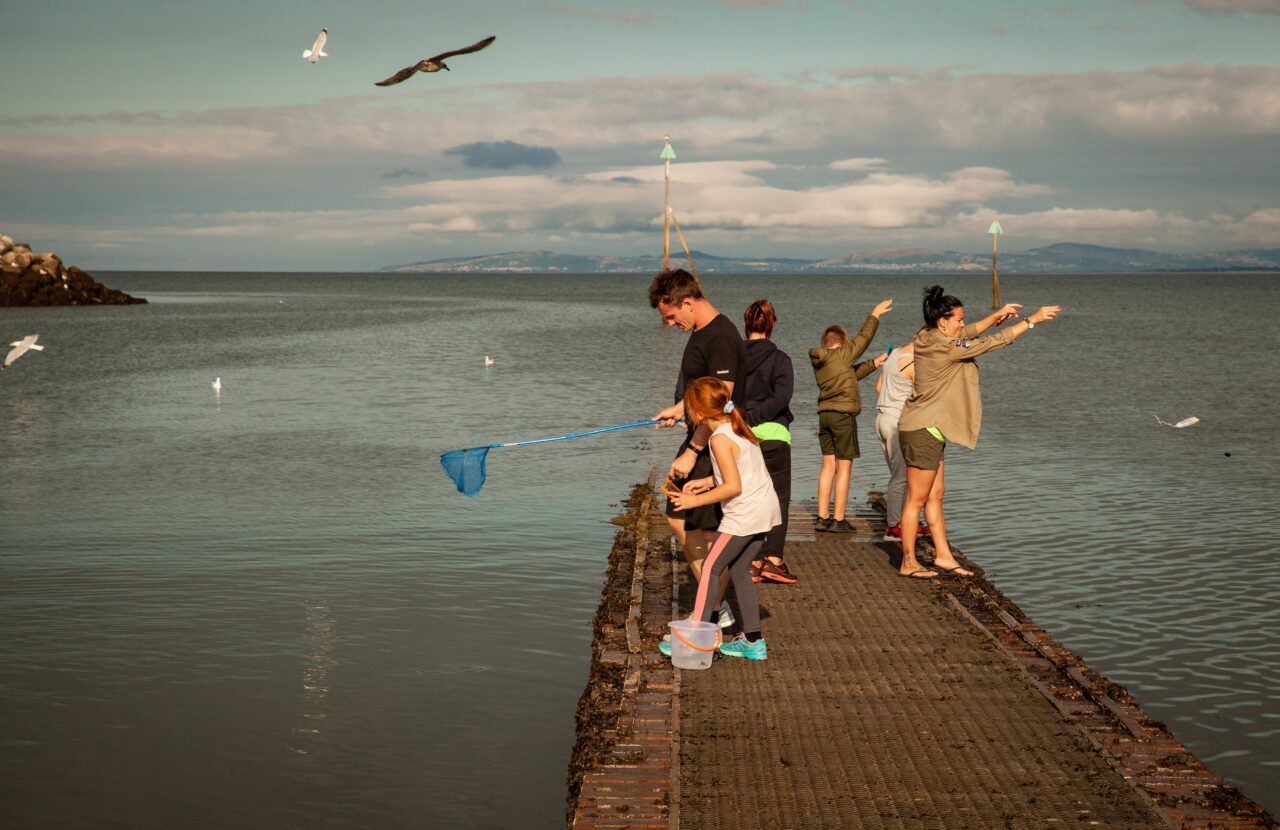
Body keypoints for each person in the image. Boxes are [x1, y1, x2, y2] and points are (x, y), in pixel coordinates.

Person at [896, 286, 1061, 578]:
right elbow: (988, 343)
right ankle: (908, 561)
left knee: (936, 496)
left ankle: (944, 556)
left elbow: (970, 332)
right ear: (943, 321)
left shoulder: (929, 335)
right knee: (916, 499)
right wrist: (1031, 320)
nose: (962, 323)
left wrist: (997, 314)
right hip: (921, 428)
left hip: (933, 428)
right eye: (958, 319)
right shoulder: (943, 347)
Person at [649, 268, 745, 626]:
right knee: (677, 517)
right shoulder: (701, 332)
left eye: (671, 316)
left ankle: (711, 610)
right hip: (698, 436)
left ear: (687, 302)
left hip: (711, 443)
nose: (670, 324)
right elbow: (702, 393)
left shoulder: (720, 338)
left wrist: (692, 450)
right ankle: (714, 604)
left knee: (703, 529)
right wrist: (679, 410)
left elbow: (721, 402)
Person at [662, 377, 780, 661]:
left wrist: (694, 500)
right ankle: (753, 640)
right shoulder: (735, 427)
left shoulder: (718, 439)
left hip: (744, 516)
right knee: (739, 571)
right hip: (765, 510)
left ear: (699, 413)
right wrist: (706, 481)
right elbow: (739, 472)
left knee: (711, 569)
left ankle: (694, 636)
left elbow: (734, 487)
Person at [809, 299, 893, 532]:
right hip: (843, 417)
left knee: (827, 467)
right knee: (843, 468)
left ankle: (822, 517)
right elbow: (864, 339)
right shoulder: (843, 354)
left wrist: (875, 363)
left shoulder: (823, 362)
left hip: (824, 416)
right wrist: (874, 314)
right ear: (842, 344)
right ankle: (838, 520)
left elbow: (850, 375)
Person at [739, 299, 797, 584]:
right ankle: (773, 559)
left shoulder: (733, 358)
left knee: (747, 497)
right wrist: (759, 417)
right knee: (778, 498)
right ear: (771, 325)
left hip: (740, 436)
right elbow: (782, 397)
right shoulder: (780, 359)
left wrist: (745, 419)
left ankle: (751, 560)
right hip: (773, 435)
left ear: (746, 324)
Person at [873, 342, 932, 544]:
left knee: (903, 475)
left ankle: (908, 523)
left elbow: (878, 388)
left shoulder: (894, 355)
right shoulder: (913, 363)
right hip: (896, 423)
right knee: (901, 477)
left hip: (881, 419)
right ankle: (893, 527)